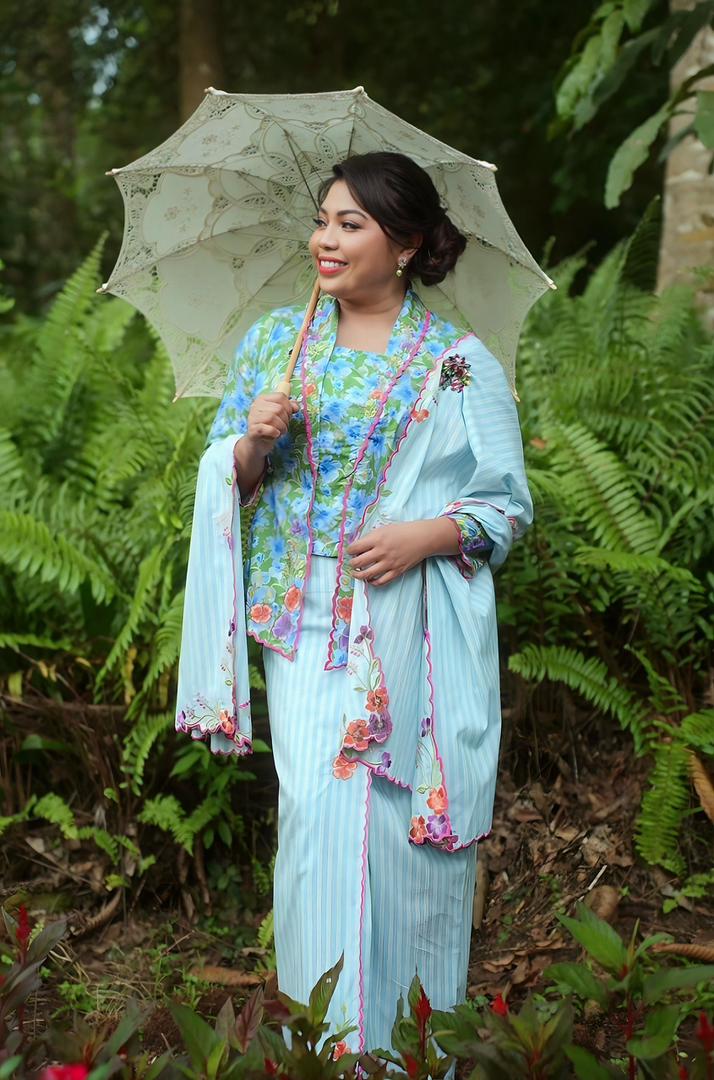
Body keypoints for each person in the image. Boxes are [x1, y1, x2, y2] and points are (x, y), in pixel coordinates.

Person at [176, 151, 532, 1059]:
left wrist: (424, 537)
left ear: (405, 244)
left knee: (402, 843)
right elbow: (230, 481)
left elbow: (506, 507)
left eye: (350, 224)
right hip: (300, 627)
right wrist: (252, 444)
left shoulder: (454, 365)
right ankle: (324, 1052)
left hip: (406, 628)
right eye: (323, 220)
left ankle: (411, 1053)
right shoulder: (276, 342)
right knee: (315, 830)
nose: (324, 240)